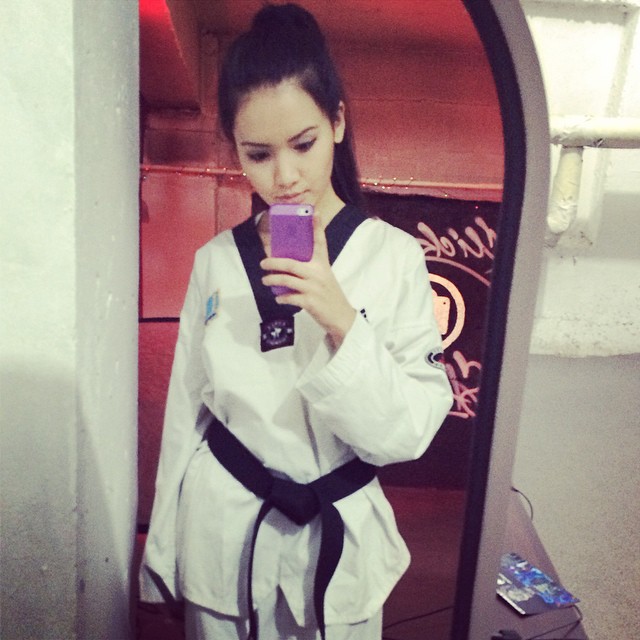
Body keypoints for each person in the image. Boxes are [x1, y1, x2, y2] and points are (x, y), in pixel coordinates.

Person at [139, 4, 453, 640]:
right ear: (236, 150)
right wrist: (162, 558)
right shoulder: (215, 262)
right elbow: (186, 416)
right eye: (258, 154)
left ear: (337, 121)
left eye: (304, 145)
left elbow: (408, 434)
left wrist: (341, 319)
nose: (284, 177)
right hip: (224, 534)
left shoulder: (393, 257)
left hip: (338, 542)